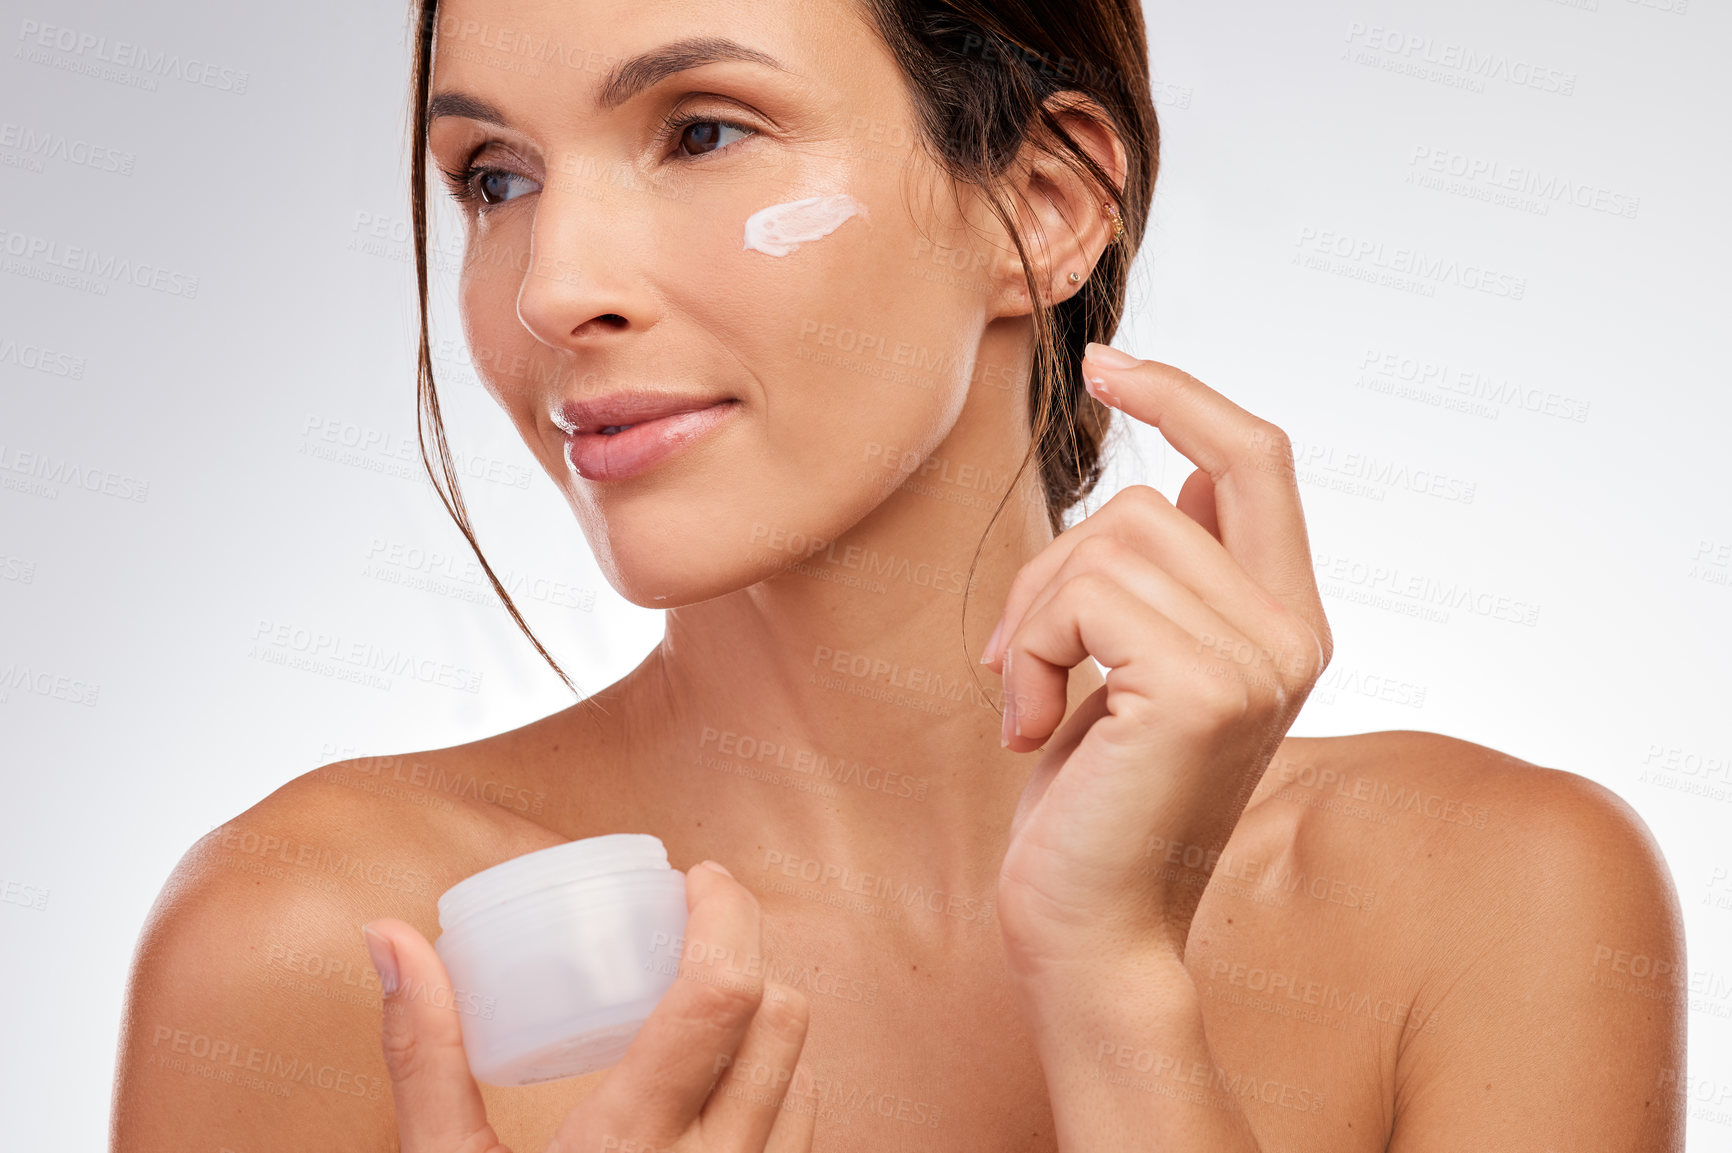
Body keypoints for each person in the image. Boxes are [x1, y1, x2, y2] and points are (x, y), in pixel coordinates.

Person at [110, 0, 1687, 1149]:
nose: (555, 291)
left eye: (703, 131)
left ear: (1044, 209)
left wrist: (1117, 988)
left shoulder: (1496, 905)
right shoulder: (327, 947)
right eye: (494, 178)